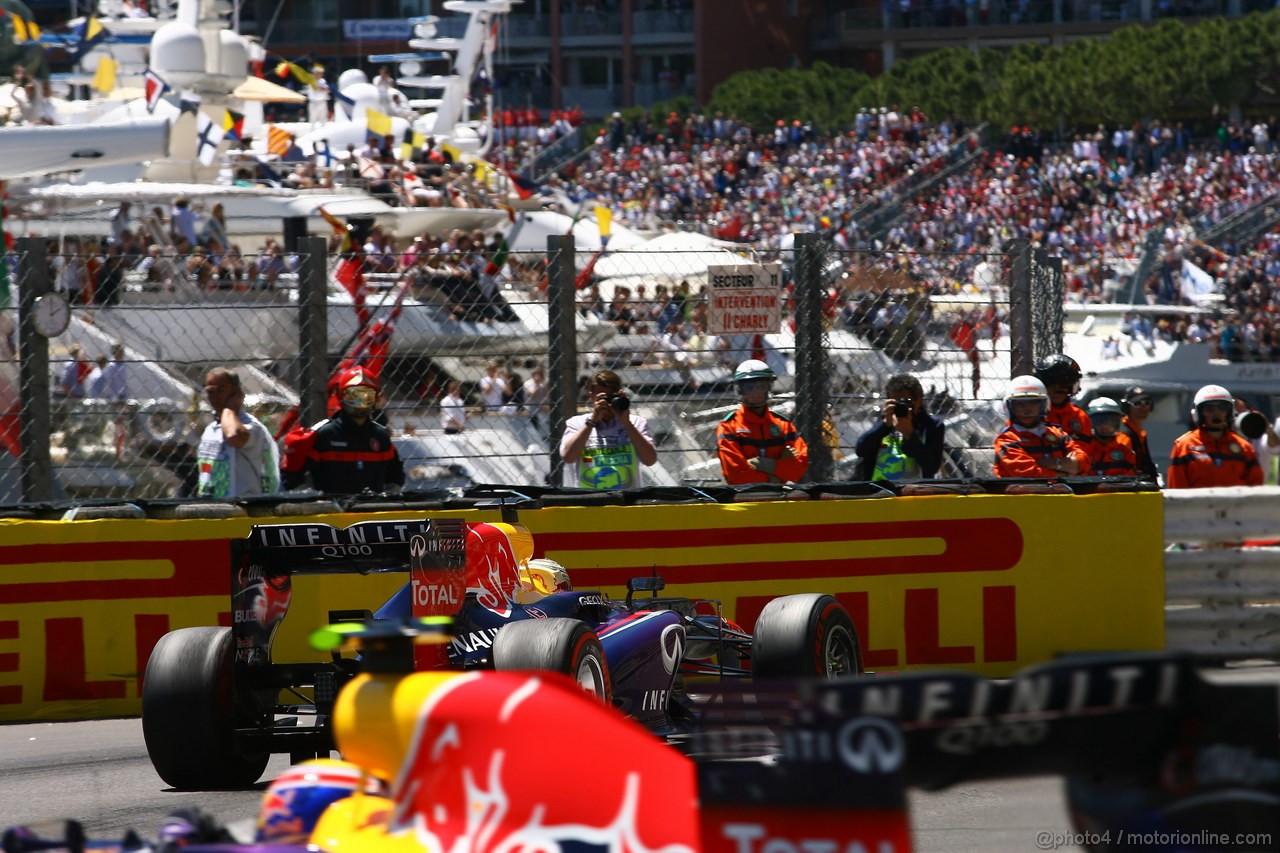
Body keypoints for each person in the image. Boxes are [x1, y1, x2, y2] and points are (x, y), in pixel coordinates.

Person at [281, 367, 404, 495]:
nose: (360, 403)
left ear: (376, 399)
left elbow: (395, 476)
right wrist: (313, 501)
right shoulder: (324, 435)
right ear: (340, 396)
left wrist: (389, 496)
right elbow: (293, 477)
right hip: (333, 511)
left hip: (371, 510)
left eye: (367, 396)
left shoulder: (381, 436)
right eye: (353, 396)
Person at [559, 368, 657, 490]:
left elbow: (650, 460)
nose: (607, 403)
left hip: (627, 500)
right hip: (589, 499)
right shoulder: (577, 424)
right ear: (591, 396)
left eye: (611, 397)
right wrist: (592, 421)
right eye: (603, 397)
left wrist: (627, 424)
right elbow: (568, 457)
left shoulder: (636, 423)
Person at [716, 359, 809, 485]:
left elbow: (799, 468)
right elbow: (735, 475)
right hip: (744, 498)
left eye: (761, 386)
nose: (756, 392)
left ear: (769, 387)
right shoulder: (728, 427)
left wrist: (768, 465)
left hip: (780, 498)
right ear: (739, 390)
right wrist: (775, 476)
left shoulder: (784, 426)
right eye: (749, 387)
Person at [196, 367, 281, 498]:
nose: (214, 397)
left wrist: (230, 408)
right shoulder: (211, 430)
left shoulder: (251, 426)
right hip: (215, 504)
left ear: (236, 393)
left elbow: (234, 436)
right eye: (210, 392)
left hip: (244, 506)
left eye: (220, 391)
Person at [1167, 384, 1264, 489]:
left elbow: (1256, 488)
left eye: (1221, 408)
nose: (1216, 413)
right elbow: (1176, 489)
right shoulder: (1184, 446)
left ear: (1229, 412)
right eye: (1209, 409)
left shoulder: (1244, 447)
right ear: (1199, 413)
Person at [853, 373, 945, 482]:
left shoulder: (931, 426)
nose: (900, 406)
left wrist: (910, 434)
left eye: (905, 402)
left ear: (918, 401)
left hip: (915, 492)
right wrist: (884, 426)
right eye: (895, 402)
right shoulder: (884, 425)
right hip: (879, 491)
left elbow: (931, 467)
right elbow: (861, 450)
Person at [993, 375, 1089, 478]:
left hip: (1060, 492)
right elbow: (1027, 474)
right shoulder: (1007, 439)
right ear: (1010, 407)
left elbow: (1083, 463)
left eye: (1033, 403)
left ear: (1044, 405)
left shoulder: (1057, 433)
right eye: (1020, 404)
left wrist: (1051, 463)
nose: (1027, 410)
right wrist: (1063, 471)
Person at [1034, 354, 1093, 454]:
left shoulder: (1079, 416)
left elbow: (1084, 454)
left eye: (1064, 384)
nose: (1058, 388)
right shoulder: (1032, 413)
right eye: (1052, 383)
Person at [1085, 397, 1137, 476]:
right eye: (1100, 421)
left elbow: (1130, 481)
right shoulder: (1083, 451)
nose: (1106, 425)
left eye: (1112, 421)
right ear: (1090, 422)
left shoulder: (1127, 454)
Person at [1119, 385, 1160, 482]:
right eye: (1137, 403)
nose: (1143, 407)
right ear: (1126, 407)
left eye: (1147, 403)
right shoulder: (1124, 435)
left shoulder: (1140, 433)